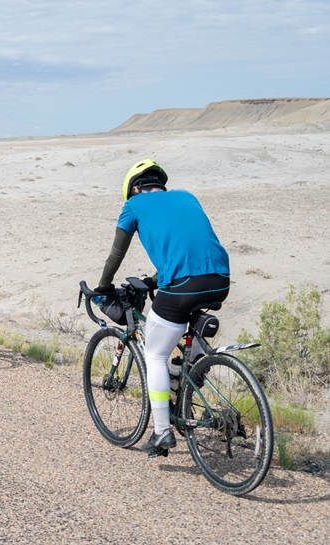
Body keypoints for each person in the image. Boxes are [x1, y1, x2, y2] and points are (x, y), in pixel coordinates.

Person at [95, 159, 230, 456]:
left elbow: (117, 252)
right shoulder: (187, 196)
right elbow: (188, 243)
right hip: (220, 278)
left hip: (182, 283)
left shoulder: (134, 205)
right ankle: (191, 367)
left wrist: (104, 286)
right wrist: (157, 278)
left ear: (133, 188)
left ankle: (161, 433)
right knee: (184, 331)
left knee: (154, 353)